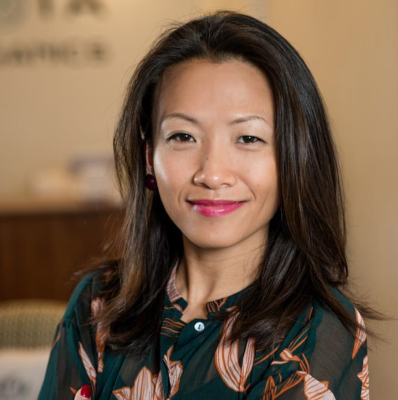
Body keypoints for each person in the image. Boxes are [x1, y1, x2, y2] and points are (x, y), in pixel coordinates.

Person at [38, 10, 372, 400]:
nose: (212, 174)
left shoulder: (318, 329)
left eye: (248, 138)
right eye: (183, 136)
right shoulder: (98, 302)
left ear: (294, 157)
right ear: (149, 156)